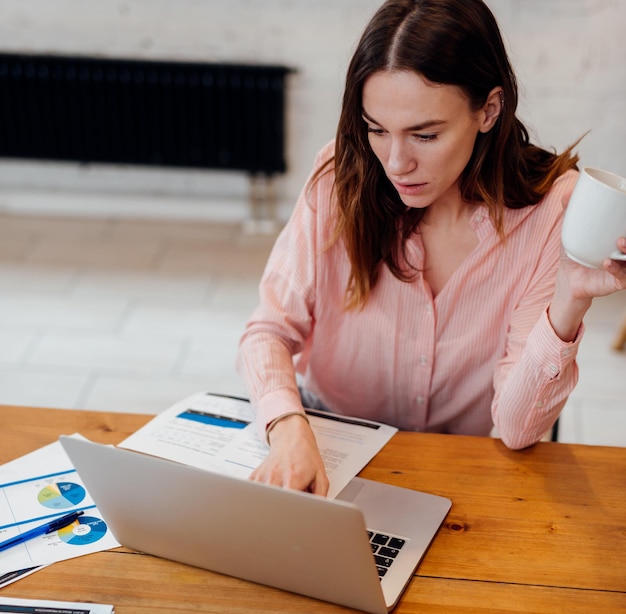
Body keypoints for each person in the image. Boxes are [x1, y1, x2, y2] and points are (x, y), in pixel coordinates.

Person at [236, 0, 626, 496]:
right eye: (377, 129)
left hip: (450, 466)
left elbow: (517, 429)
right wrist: (287, 427)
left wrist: (569, 301)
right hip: (322, 437)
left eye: (425, 135)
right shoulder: (339, 177)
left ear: (489, 109)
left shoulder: (551, 210)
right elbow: (267, 331)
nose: (396, 162)